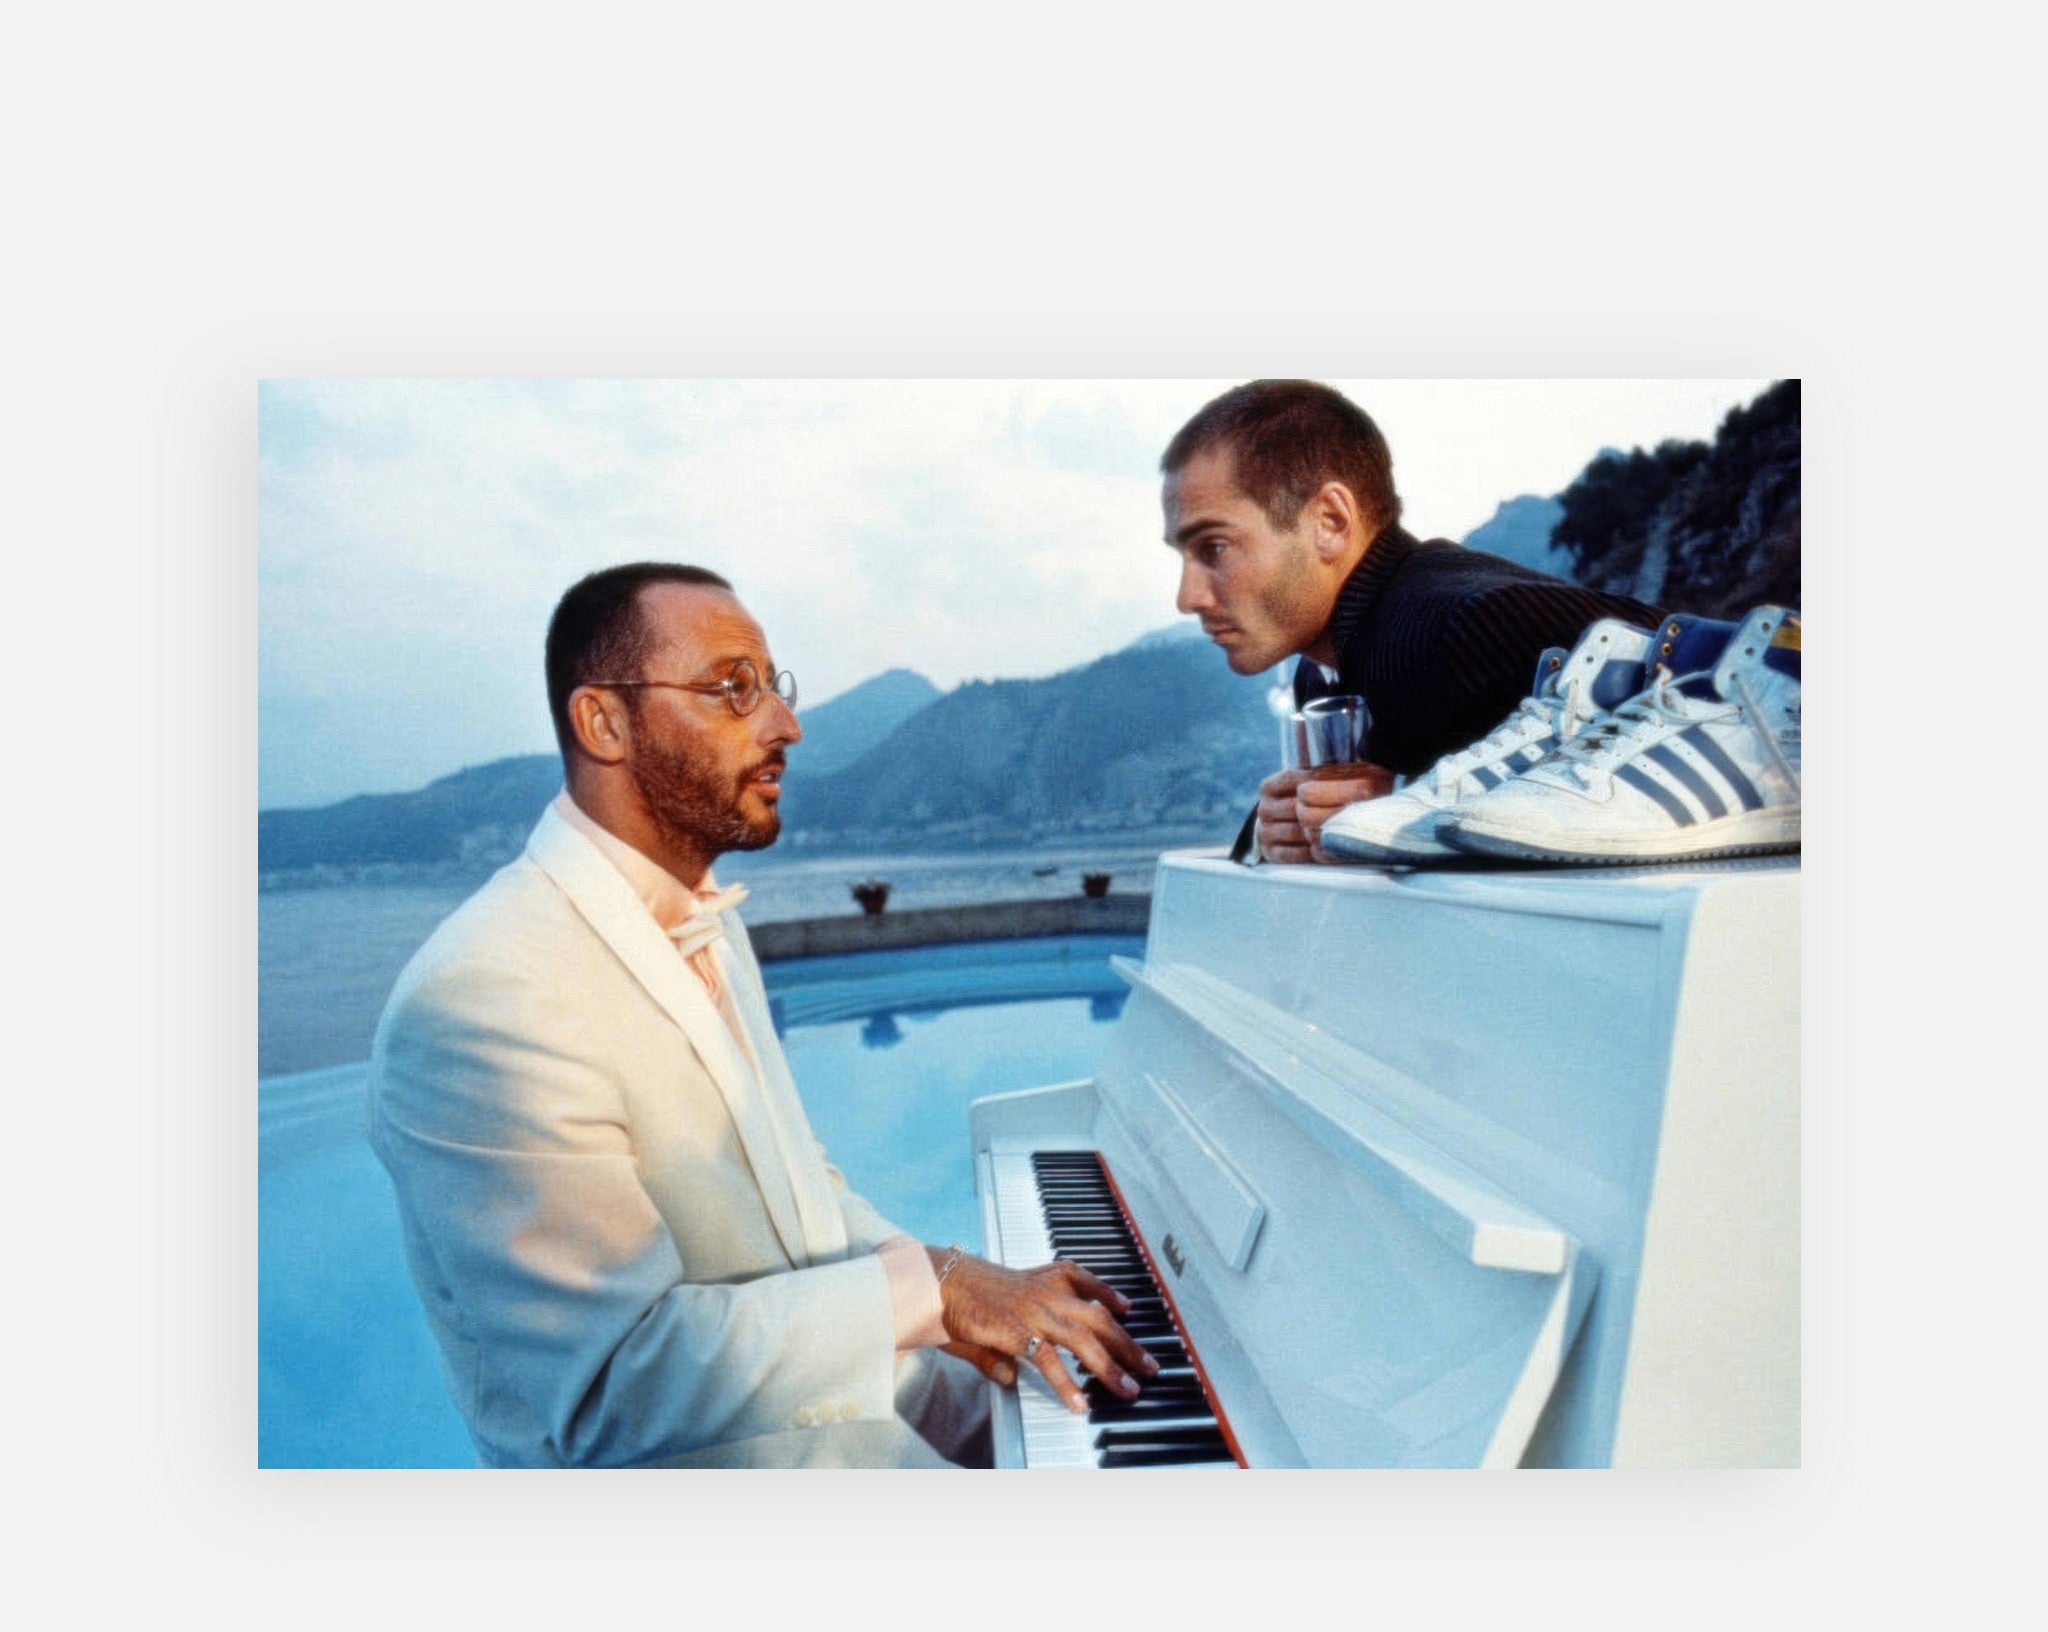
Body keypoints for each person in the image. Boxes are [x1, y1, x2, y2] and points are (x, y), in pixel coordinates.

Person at [368, 562, 1156, 1468]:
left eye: (773, 687)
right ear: (604, 723)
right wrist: (933, 1290)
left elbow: (804, 1199)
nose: (786, 724)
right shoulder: (482, 999)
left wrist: (968, 1304)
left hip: (850, 1423)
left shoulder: (710, 924)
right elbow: (613, 1386)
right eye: (733, 688)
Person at [1160, 380, 1662, 863]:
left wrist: (1405, 807)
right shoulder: (1319, 671)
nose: (1187, 597)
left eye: (1215, 547)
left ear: (1330, 522)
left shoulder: (1464, 627)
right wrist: (1274, 833)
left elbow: (1701, 700)